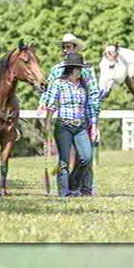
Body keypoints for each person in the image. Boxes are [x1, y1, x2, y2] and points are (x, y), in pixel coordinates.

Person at [39, 33, 100, 195]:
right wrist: (46, 124)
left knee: (86, 158)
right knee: (64, 161)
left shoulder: (84, 81)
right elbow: (49, 99)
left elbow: (92, 99)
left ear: (75, 48)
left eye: (68, 47)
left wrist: (94, 123)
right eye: (63, 47)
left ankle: (80, 186)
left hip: (81, 122)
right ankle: (65, 192)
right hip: (64, 124)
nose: (65, 50)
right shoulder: (57, 75)